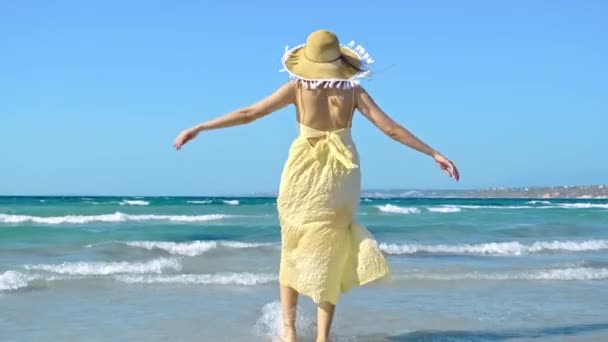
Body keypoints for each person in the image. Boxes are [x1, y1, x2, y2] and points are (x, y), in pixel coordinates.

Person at [173, 29, 459, 342]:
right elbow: (390, 129)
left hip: (302, 173)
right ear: (339, 60)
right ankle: (323, 337)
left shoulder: (296, 88)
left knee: (292, 247)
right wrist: (433, 152)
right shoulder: (354, 92)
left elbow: (248, 114)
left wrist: (200, 127)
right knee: (331, 251)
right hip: (341, 175)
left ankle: (290, 333)